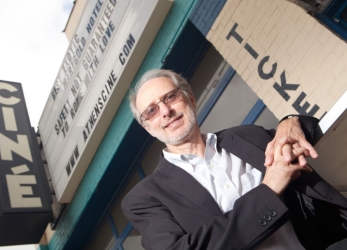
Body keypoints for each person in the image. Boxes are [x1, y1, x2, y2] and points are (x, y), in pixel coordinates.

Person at [121, 69, 347, 249]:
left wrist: (290, 121)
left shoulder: (248, 136)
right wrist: (269, 189)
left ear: (190, 98)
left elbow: (309, 134)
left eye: (170, 97)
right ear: (147, 128)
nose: (165, 111)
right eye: (151, 111)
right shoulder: (144, 198)